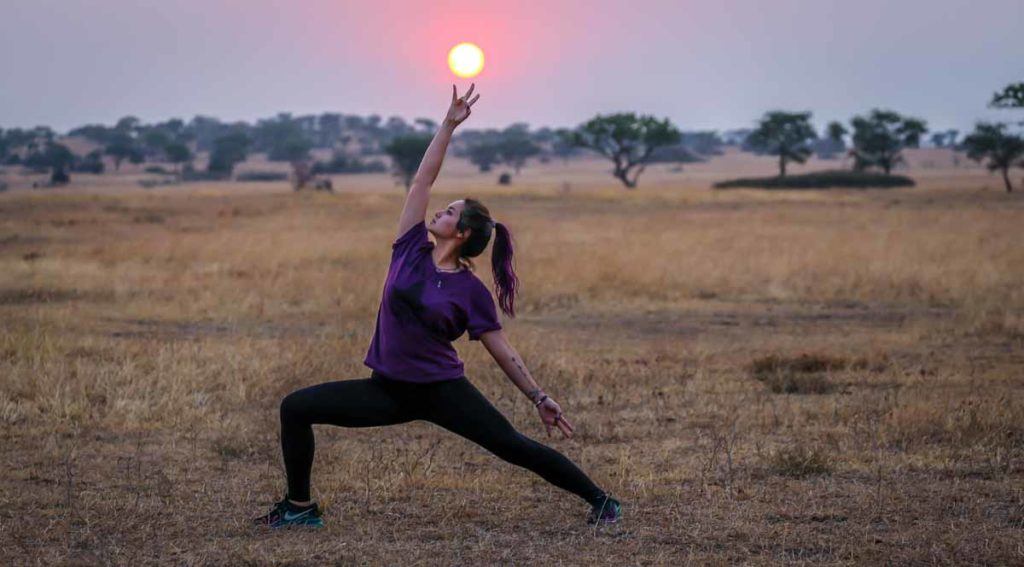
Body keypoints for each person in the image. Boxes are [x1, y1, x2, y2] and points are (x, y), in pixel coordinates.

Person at [253, 84, 622, 529]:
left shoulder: (470, 291)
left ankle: (602, 501)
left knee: (511, 446)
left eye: (449, 212)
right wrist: (448, 124)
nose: (439, 212)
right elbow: (421, 181)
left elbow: (501, 348)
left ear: (462, 233)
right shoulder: (410, 248)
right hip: (386, 390)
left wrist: (539, 396)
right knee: (296, 408)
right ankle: (299, 508)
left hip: (441, 391)